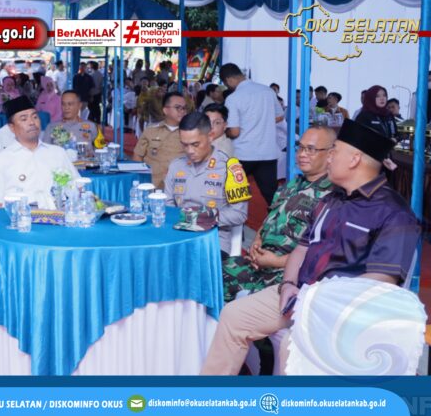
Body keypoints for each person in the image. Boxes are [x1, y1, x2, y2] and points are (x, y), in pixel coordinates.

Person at [201, 119, 420, 375]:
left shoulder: (394, 213)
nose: (329, 159)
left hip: (339, 309)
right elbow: (302, 248)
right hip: (297, 293)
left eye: (334, 151)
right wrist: (288, 284)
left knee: (291, 346)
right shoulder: (332, 199)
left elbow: (382, 281)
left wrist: (317, 299)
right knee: (233, 316)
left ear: (354, 160)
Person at [221, 126, 334, 303]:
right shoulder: (291, 185)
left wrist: (274, 261)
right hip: (261, 263)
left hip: (290, 273)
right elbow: (269, 219)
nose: (302, 154)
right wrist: (256, 243)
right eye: (300, 147)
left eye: (311, 149)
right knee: (214, 273)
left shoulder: (333, 197)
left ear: (330, 154)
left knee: (245, 305)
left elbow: (321, 254)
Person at [164, 112, 248, 255]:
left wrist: (204, 218)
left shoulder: (231, 169)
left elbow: (239, 214)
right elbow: (168, 205)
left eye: (195, 144)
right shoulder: (176, 166)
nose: (190, 151)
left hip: (213, 241)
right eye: (184, 145)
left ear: (210, 136)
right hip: (178, 237)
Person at [0, 96, 80, 210]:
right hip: (21, 219)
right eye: (24, 119)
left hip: (59, 216)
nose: (32, 122)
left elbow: (78, 187)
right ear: (12, 128)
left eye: (35, 117)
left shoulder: (58, 153)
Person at [220, 63, 284, 207]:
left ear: (229, 80)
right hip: (267, 152)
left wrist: (225, 131)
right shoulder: (268, 91)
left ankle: (234, 219)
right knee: (271, 196)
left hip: (243, 153)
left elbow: (234, 132)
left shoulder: (234, 98)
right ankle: (278, 220)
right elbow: (280, 116)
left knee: (234, 193)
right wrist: (263, 122)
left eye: (226, 84)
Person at [133, 91, 187, 189]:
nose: (182, 111)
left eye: (184, 108)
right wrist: (140, 180)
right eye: (178, 107)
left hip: (180, 186)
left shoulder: (190, 133)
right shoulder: (151, 131)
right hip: (152, 185)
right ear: (165, 110)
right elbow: (138, 155)